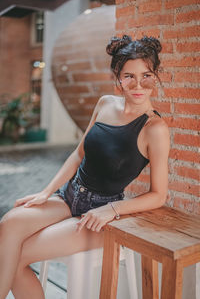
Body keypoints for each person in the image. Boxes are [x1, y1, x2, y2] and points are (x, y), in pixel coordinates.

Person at [0, 35, 170, 299]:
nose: (138, 85)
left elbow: (159, 195)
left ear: (155, 76)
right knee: (9, 224)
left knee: (18, 255)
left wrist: (111, 209)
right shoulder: (105, 104)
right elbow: (79, 153)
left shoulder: (154, 129)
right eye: (129, 76)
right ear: (118, 77)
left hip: (100, 214)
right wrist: (46, 192)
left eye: (146, 76)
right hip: (69, 196)